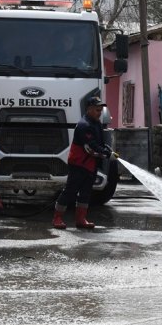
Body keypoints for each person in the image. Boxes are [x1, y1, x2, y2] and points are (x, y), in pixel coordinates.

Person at [52, 96, 118, 229]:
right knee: (70, 191)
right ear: (89, 109)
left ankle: (81, 219)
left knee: (86, 192)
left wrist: (107, 150)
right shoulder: (84, 125)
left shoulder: (96, 123)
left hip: (90, 164)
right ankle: (57, 218)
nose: (99, 112)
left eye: (100, 110)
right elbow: (91, 145)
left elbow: (99, 143)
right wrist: (107, 154)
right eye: (97, 110)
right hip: (79, 164)